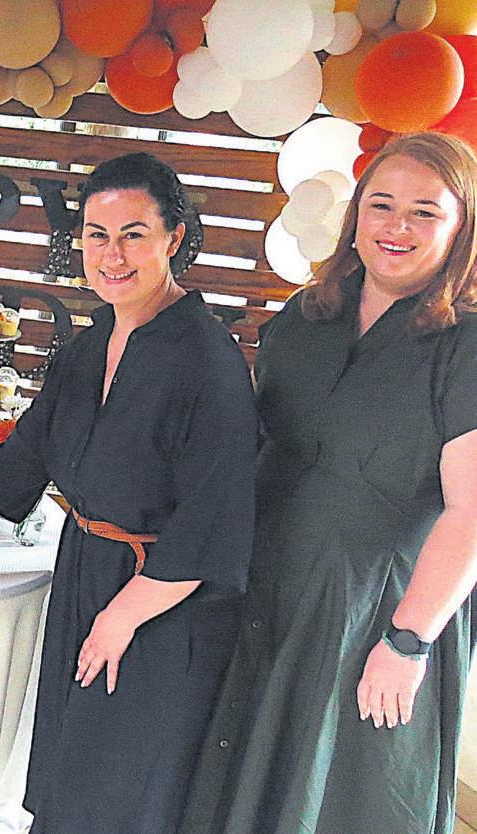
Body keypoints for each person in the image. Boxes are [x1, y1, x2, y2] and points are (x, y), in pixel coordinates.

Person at [0, 152, 258, 833]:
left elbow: (212, 523)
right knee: (68, 779)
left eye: (133, 234)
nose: (113, 255)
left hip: (160, 606)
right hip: (84, 578)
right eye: (98, 236)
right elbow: (23, 459)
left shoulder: (209, 362)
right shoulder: (89, 347)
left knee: (125, 793)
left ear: (175, 238)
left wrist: (123, 617)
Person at [178, 132, 477, 834]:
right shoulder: (305, 317)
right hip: (265, 589)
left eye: (426, 212)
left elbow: (471, 511)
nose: (397, 226)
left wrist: (408, 643)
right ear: (355, 217)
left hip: (375, 615)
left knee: (342, 801)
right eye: (382, 205)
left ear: (462, 228)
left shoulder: (466, 344)